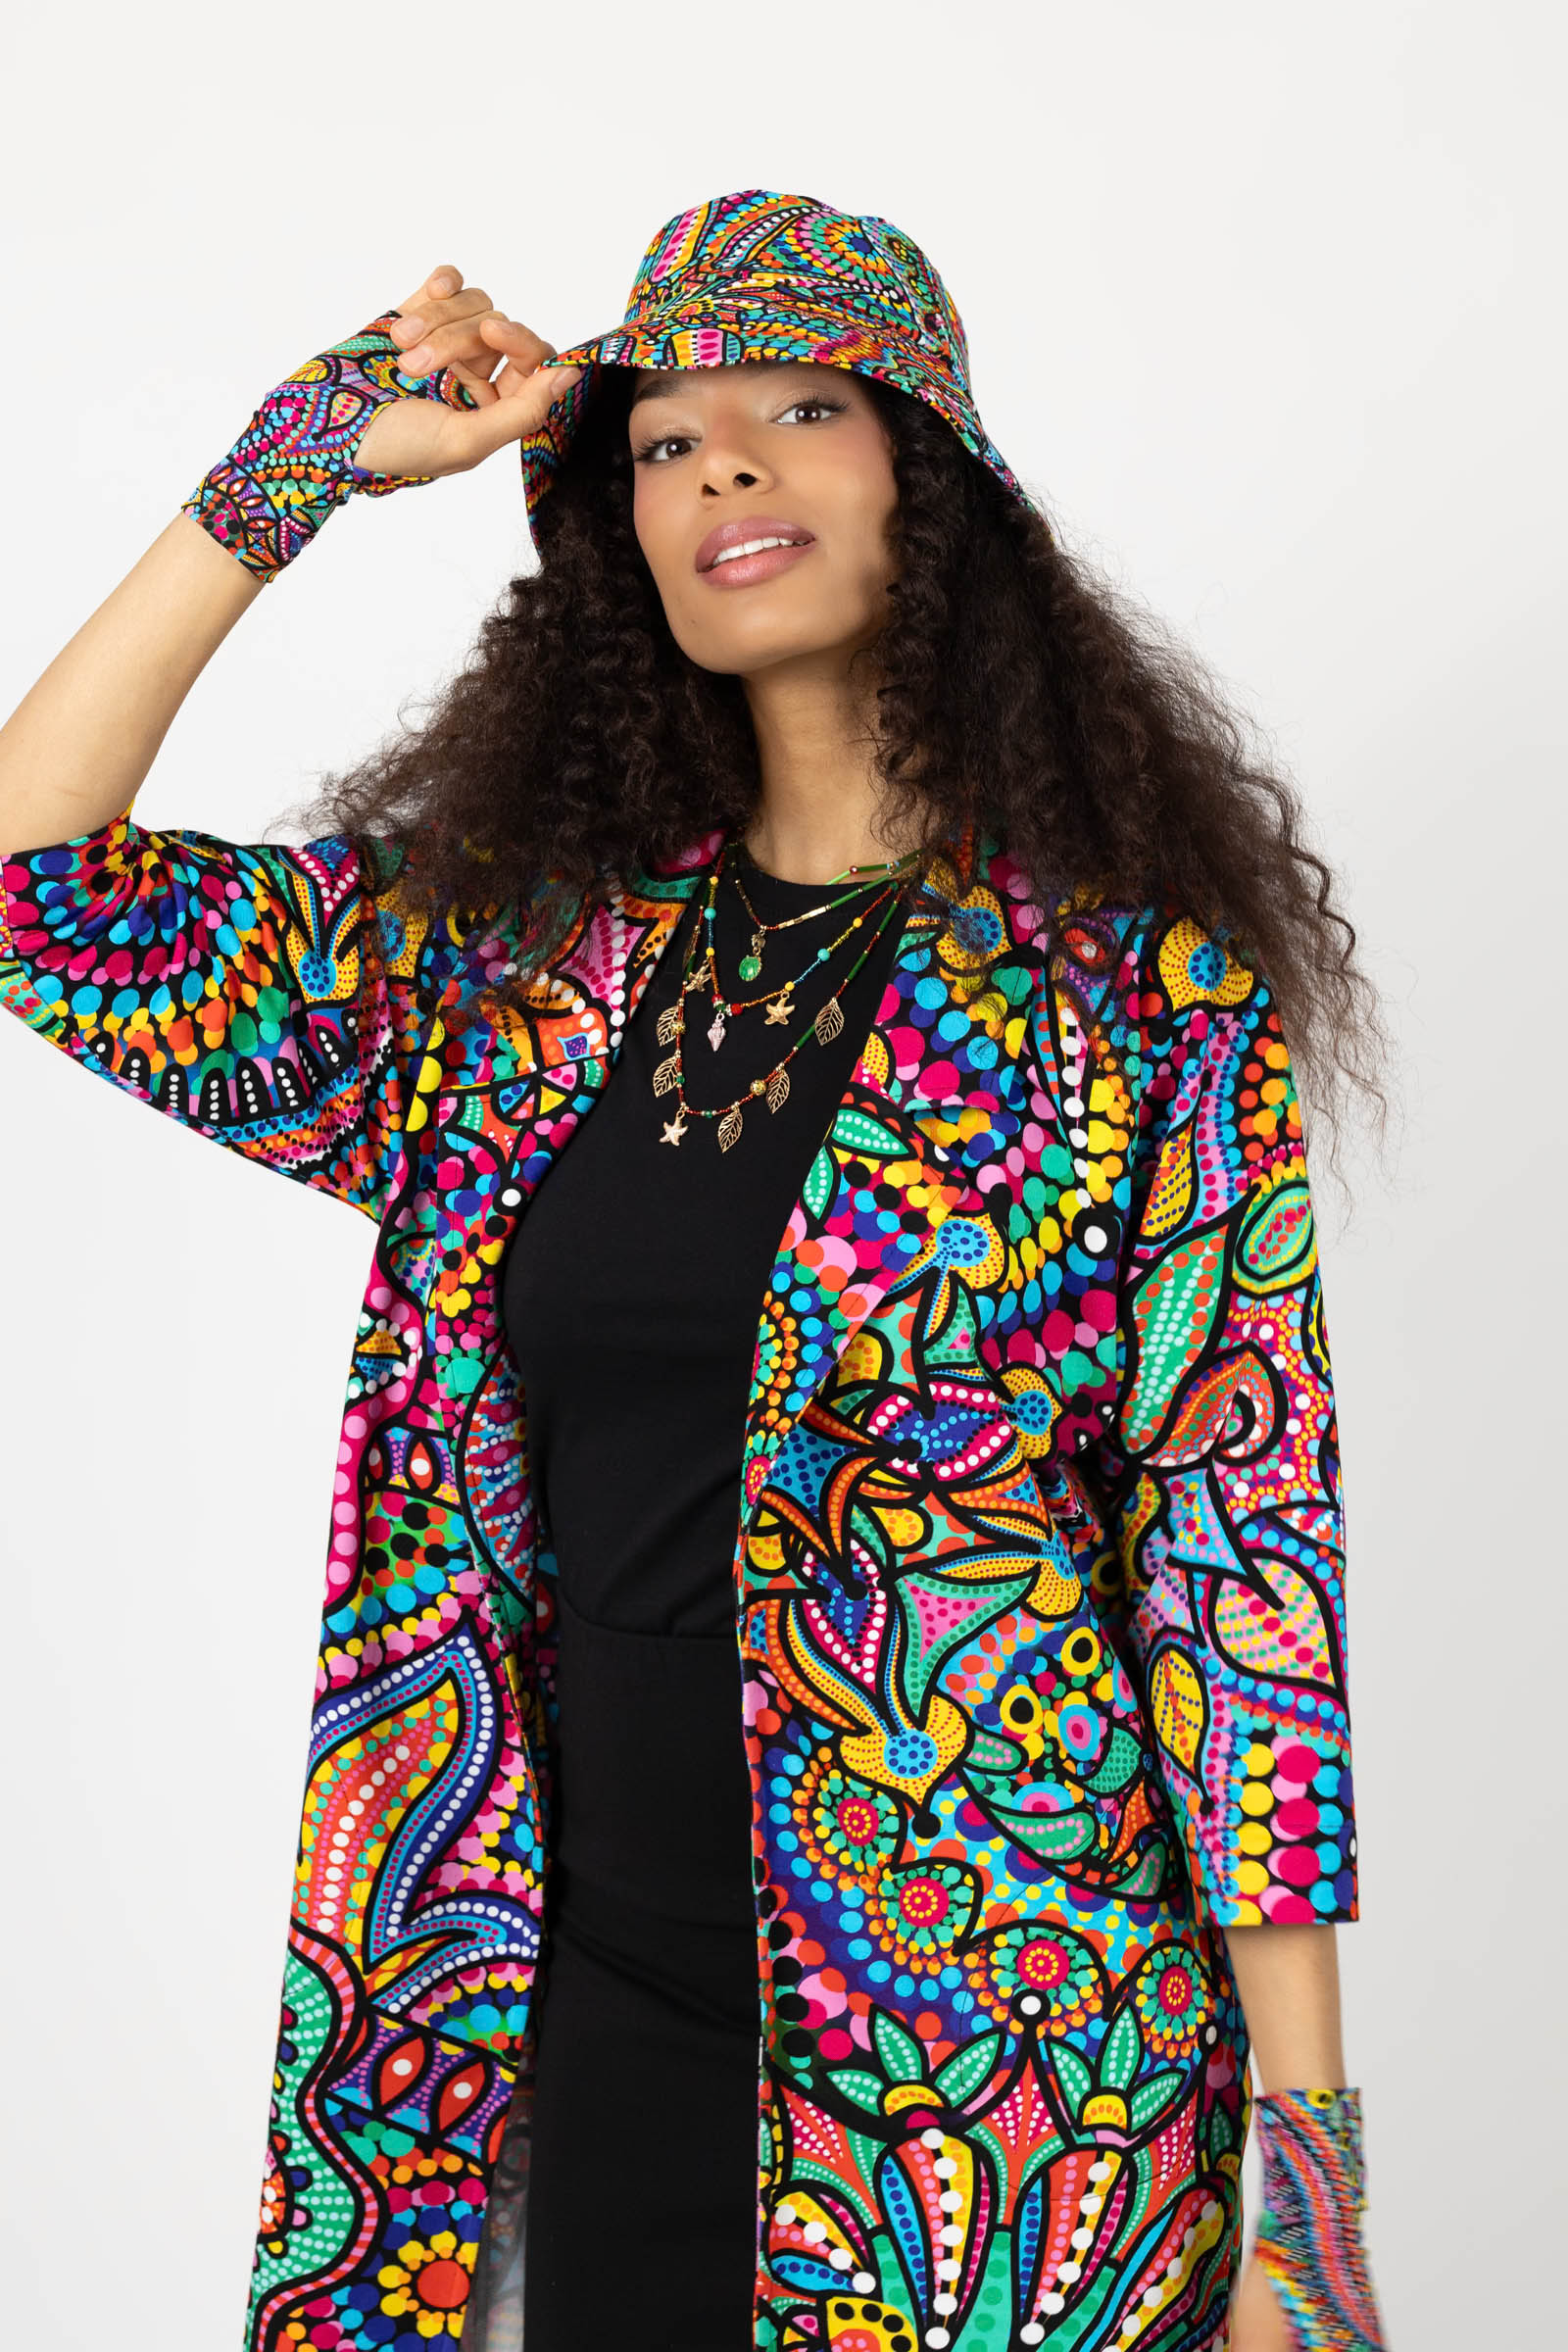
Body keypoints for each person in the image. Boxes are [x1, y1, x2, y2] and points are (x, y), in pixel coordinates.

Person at [0, 190, 1387, 2352]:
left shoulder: (1133, 1000)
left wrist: (1306, 2199)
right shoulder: (510, 965)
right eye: (662, 440)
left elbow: (1242, 1565)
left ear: (927, 487)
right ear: (617, 532)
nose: (723, 465)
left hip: (1006, 2066)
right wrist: (298, 463)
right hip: (551, 2011)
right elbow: (34, 887)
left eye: (799, 410)